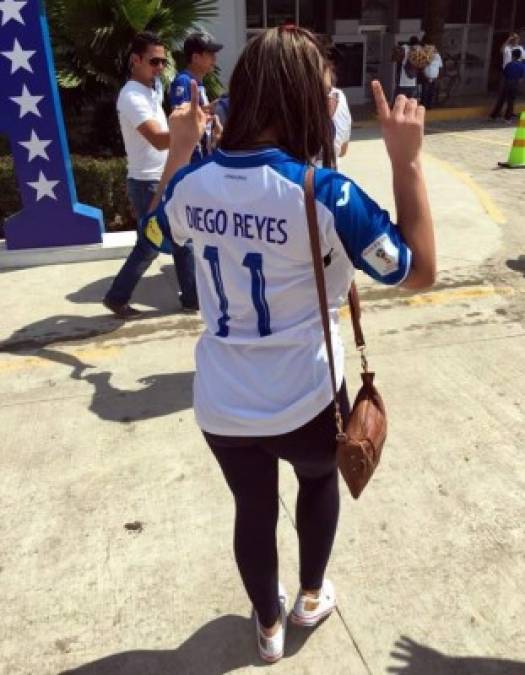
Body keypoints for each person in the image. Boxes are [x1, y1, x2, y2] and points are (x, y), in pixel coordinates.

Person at [145, 26, 435, 663]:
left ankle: (268, 625)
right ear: (304, 101)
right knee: (316, 484)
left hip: (222, 402)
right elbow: (417, 272)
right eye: (325, 94)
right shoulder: (326, 194)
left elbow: (158, 234)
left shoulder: (195, 187)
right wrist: (406, 161)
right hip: (306, 399)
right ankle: (309, 595)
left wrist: (182, 148)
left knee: (251, 506)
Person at [103, 32, 198, 317]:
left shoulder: (152, 88)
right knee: (150, 245)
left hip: (163, 177)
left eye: (163, 61)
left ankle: (192, 299)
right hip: (148, 182)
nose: (160, 67)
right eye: (154, 61)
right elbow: (158, 139)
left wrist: (198, 115)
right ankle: (117, 296)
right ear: (136, 60)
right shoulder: (131, 96)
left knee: (181, 239)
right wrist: (188, 132)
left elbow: (168, 131)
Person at [169, 31, 223, 163]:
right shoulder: (183, 81)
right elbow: (181, 120)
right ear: (195, 58)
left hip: (203, 158)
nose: (215, 59)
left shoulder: (197, 82)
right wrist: (208, 110)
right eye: (210, 54)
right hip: (192, 160)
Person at [490, 48, 525, 121]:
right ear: (520, 56)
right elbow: (521, 79)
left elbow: (504, 75)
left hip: (507, 83)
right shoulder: (522, 66)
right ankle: (507, 118)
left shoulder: (509, 64)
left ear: (513, 56)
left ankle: (494, 116)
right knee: (511, 101)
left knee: (501, 100)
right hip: (515, 84)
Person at [421, 39, 442, 109]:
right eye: (429, 47)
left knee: (432, 93)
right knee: (424, 93)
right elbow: (421, 66)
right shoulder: (424, 55)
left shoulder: (437, 56)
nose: (431, 48)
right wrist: (425, 76)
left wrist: (438, 77)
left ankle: (429, 106)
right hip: (426, 78)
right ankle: (423, 107)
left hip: (434, 79)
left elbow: (440, 66)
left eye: (432, 47)